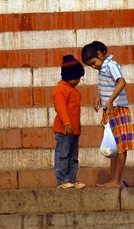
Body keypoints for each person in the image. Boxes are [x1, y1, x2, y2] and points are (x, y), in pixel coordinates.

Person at [81, 41, 134, 188]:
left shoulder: (111, 65)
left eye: (93, 63)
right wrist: (98, 97)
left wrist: (111, 100)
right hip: (109, 112)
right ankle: (113, 179)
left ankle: (117, 180)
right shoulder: (102, 69)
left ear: (100, 54)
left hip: (118, 109)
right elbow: (105, 85)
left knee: (121, 147)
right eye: (91, 65)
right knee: (113, 147)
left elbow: (121, 82)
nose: (94, 67)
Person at [52, 55, 86, 190]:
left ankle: (72, 178)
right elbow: (60, 109)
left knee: (73, 156)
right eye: (75, 78)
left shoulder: (74, 91)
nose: (78, 81)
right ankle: (62, 180)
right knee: (63, 155)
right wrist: (67, 123)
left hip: (74, 130)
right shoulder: (61, 89)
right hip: (64, 130)